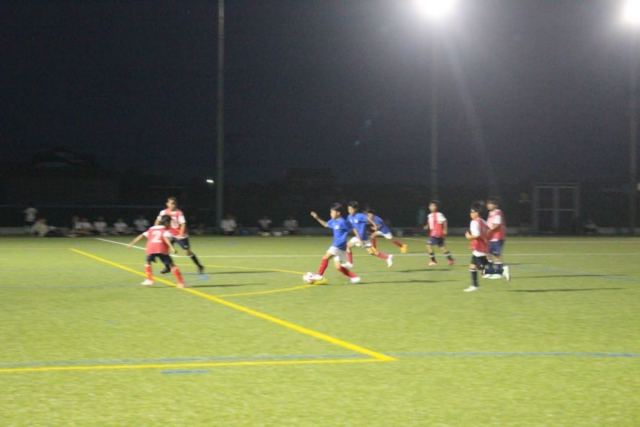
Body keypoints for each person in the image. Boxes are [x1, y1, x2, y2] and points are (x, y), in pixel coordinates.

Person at [127, 215, 186, 288]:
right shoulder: (165, 230)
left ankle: (149, 280)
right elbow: (165, 238)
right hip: (161, 248)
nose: (170, 225)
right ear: (166, 223)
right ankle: (181, 282)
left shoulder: (152, 228)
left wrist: (132, 243)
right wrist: (171, 247)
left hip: (151, 248)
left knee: (148, 262)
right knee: (172, 265)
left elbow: (142, 235)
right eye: (170, 223)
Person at [464, 202, 510, 292]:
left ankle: (502, 271)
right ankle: (475, 286)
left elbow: (476, 235)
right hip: (482, 247)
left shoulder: (474, 222)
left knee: (483, 272)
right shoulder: (483, 221)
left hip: (478, 248)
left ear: (477, 213)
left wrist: (469, 237)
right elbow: (487, 232)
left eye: (472, 212)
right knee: (472, 266)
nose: (470, 214)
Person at [309, 204, 360, 283]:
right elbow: (326, 224)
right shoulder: (333, 221)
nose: (331, 214)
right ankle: (354, 277)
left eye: (332, 212)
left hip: (338, 245)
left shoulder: (343, 222)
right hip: (342, 247)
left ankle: (319, 275)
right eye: (330, 212)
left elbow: (353, 227)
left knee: (325, 257)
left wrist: (359, 237)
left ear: (338, 213)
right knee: (338, 267)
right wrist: (317, 217)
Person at [155, 196, 204, 274]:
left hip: (180, 235)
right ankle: (167, 267)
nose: (173, 205)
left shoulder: (179, 213)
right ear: (167, 204)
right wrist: (156, 229)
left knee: (187, 252)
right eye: (171, 203)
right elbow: (158, 220)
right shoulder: (163, 212)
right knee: (164, 251)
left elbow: (183, 224)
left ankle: (199, 266)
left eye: (174, 204)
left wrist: (180, 234)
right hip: (170, 234)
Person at [344, 201, 393, 268]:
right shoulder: (349, 217)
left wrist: (375, 225)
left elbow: (368, 218)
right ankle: (387, 257)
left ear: (356, 209)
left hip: (361, 236)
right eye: (348, 209)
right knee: (371, 252)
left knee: (347, 246)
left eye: (351, 209)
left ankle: (350, 263)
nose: (349, 210)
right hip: (362, 237)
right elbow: (353, 227)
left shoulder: (360, 216)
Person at [423, 200, 455, 266]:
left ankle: (433, 261)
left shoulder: (439, 214)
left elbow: (444, 221)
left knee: (428, 245)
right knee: (442, 247)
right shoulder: (429, 215)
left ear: (436, 207)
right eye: (430, 206)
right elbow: (431, 223)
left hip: (437, 232)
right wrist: (427, 226)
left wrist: (445, 229)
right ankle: (450, 259)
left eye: (433, 206)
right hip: (433, 232)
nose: (431, 207)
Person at [486, 197, 508, 278]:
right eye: (488, 204)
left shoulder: (497, 212)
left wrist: (488, 231)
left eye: (490, 204)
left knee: (496, 255)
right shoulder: (490, 213)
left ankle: (499, 273)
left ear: (496, 205)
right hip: (490, 238)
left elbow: (497, 224)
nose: (488, 205)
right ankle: (491, 271)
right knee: (487, 253)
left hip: (497, 237)